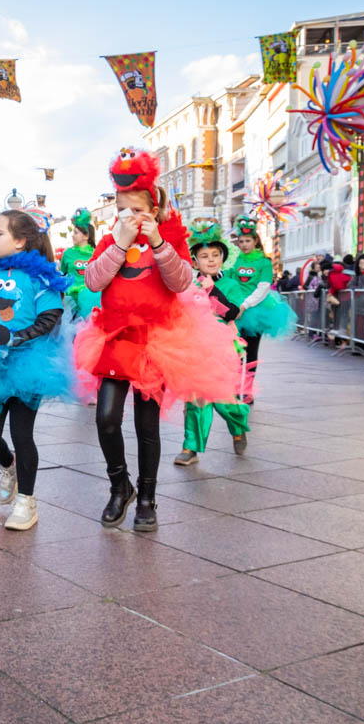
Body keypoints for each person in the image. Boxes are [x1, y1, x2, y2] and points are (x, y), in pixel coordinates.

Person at [76, 148, 242, 532]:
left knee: (147, 425)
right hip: (116, 336)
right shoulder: (110, 240)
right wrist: (119, 244)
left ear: (153, 210)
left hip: (157, 340)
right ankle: (120, 486)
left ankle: (147, 498)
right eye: (122, 210)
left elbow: (180, 281)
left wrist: (158, 243)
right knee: (106, 418)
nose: (129, 218)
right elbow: (94, 281)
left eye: (136, 211)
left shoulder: (169, 239)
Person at [0, 208, 71, 531]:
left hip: (27, 366)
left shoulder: (39, 279)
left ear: (20, 241)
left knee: (22, 434)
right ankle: (9, 466)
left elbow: (50, 318)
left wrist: (16, 338)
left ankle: (26, 502)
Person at [175, 220, 250, 465]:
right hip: (195, 349)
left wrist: (213, 290)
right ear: (195, 262)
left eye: (215, 255)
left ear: (222, 258)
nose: (211, 260)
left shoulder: (230, 284)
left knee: (223, 400)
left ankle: (238, 425)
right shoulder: (188, 285)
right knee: (196, 398)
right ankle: (190, 447)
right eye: (204, 256)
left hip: (223, 350)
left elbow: (233, 312)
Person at [220, 215, 295, 397]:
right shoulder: (235, 260)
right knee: (235, 352)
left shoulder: (264, 263)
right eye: (241, 241)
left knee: (251, 353)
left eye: (248, 241)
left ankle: (247, 391)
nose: (244, 244)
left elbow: (263, 288)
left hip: (256, 311)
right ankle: (235, 390)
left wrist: (245, 306)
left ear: (255, 241)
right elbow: (226, 277)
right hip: (235, 311)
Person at [58, 207, 102, 322]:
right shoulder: (67, 254)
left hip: (92, 301)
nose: (72, 235)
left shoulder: (97, 253)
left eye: (76, 233)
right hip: (72, 302)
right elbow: (62, 275)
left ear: (86, 236)